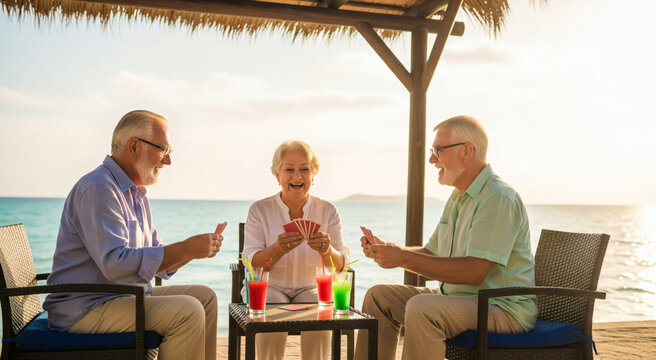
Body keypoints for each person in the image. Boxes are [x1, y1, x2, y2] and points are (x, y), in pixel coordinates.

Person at [354, 115, 537, 360]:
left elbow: (474, 272)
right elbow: (432, 254)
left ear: (466, 151)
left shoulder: (497, 197)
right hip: (459, 300)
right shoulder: (458, 197)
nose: (431, 159)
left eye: (438, 150)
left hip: (501, 308)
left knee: (422, 308)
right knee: (378, 297)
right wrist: (390, 249)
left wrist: (401, 258)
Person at [43, 110, 220, 360]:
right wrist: (186, 248)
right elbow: (115, 265)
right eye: (163, 150)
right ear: (134, 146)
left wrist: (194, 250)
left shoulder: (135, 193)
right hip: (86, 308)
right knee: (187, 311)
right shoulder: (99, 189)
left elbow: (157, 264)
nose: (168, 162)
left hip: (122, 296)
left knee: (205, 298)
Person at [242, 139, 351, 360]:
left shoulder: (328, 210)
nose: (297, 176)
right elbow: (252, 263)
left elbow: (342, 264)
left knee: (320, 307)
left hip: (311, 287)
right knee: (272, 304)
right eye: (289, 170)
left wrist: (327, 250)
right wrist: (277, 249)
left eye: (304, 170)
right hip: (271, 286)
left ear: (313, 174)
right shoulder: (259, 210)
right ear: (277, 174)